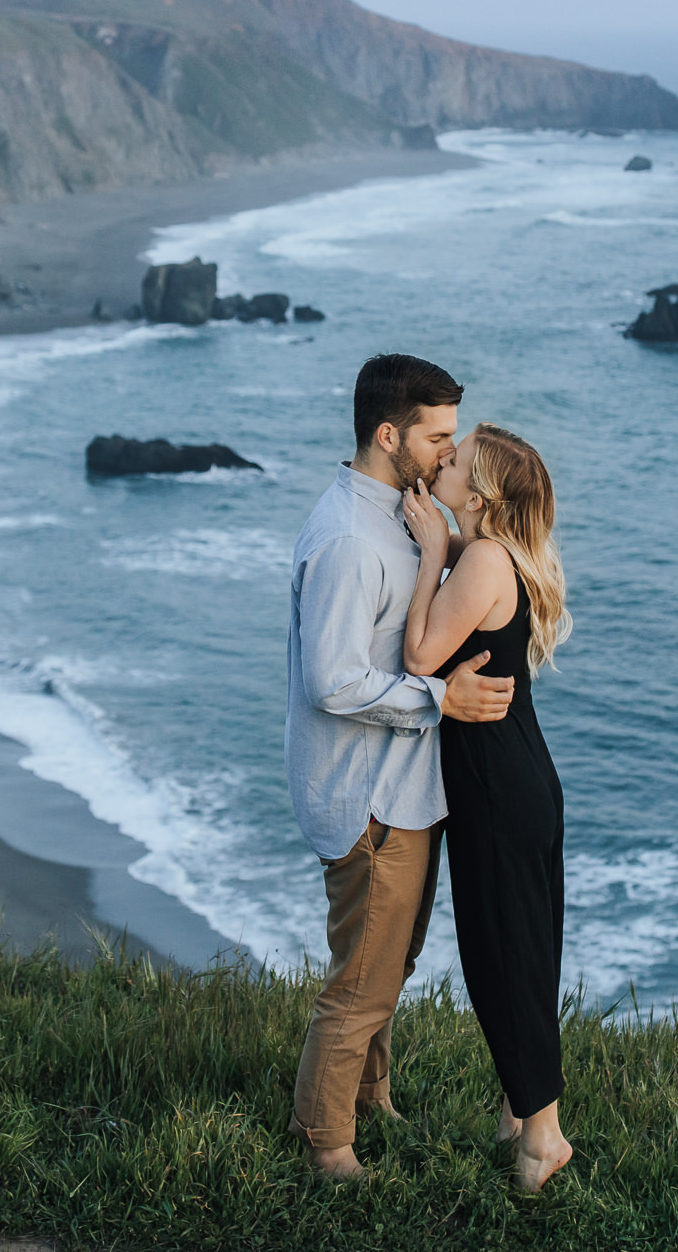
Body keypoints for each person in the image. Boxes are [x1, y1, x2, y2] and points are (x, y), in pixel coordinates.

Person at [285, 353, 515, 1182]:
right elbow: (333, 680)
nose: (451, 456)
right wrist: (437, 700)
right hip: (368, 794)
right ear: (389, 435)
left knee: (391, 964)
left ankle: (369, 1100)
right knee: (360, 984)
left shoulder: (403, 514)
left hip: (405, 791)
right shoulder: (350, 537)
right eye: (439, 439)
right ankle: (326, 1144)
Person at [401, 422, 575, 1193]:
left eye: (458, 456)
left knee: (502, 959)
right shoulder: (505, 560)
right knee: (527, 954)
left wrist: (435, 552)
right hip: (523, 774)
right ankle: (519, 1112)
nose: (443, 456)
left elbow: (418, 658)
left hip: (499, 787)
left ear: (476, 496)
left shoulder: (481, 559)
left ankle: (543, 1138)